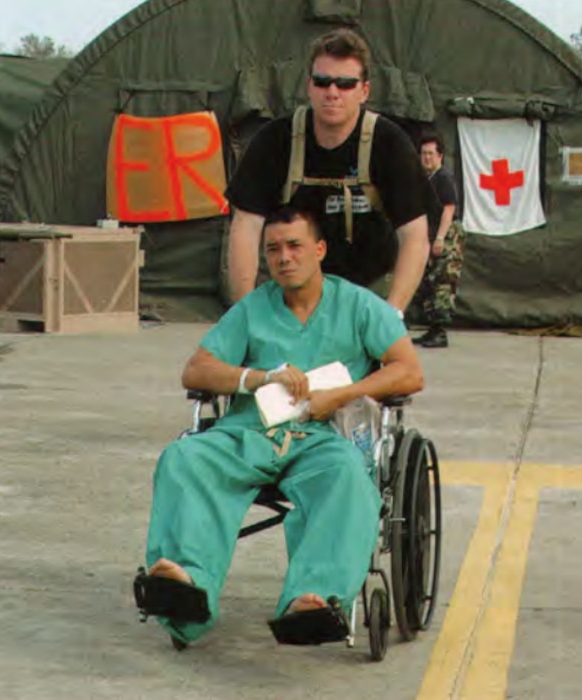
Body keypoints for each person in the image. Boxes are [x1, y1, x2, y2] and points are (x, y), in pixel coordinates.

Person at [134, 206, 424, 647]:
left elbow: (408, 372)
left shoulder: (358, 305)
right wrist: (257, 377)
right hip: (250, 434)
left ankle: (315, 598)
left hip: (326, 439)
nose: (284, 257)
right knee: (186, 456)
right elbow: (196, 370)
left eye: (294, 246)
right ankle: (185, 584)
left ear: (320, 249)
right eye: (273, 250)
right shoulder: (253, 309)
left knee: (347, 475)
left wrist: (341, 395)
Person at [224, 28, 432, 313]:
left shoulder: (389, 143)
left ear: (364, 91)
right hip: (290, 295)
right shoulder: (275, 140)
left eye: (345, 84)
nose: (332, 93)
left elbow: (415, 234)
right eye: (323, 82)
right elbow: (245, 227)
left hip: (368, 294)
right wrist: (244, 312)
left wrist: (392, 314)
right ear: (309, 86)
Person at [410, 134, 464, 349]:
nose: (426, 158)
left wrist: (440, 238)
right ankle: (432, 329)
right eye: (423, 154)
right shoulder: (426, 178)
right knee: (430, 282)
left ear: (440, 155)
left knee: (442, 282)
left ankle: (440, 332)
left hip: (447, 234)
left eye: (430, 154)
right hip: (430, 233)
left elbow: (449, 209)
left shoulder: (444, 178)